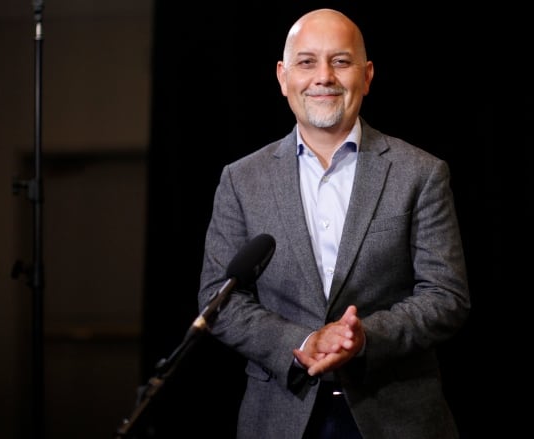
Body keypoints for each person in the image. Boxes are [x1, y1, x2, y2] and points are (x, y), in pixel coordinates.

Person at [197, 8, 470, 439]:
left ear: (367, 74)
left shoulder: (420, 173)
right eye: (307, 62)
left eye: (340, 61)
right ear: (283, 76)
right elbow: (220, 299)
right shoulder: (241, 180)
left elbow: (445, 296)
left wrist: (362, 339)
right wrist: (304, 342)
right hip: (279, 418)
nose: (323, 76)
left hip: (396, 416)